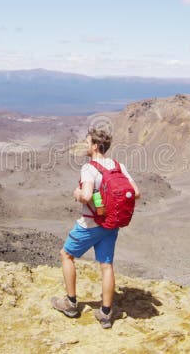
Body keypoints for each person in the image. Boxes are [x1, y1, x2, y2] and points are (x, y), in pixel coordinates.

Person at [50, 128, 140, 329]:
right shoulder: (119, 166)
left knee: (66, 255)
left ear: (95, 146)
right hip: (111, 224)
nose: (84, 145)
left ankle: (71, 304)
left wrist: (77, 192)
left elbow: (88, 195)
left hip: (90, 224)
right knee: (106, 265)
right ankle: (106, 314)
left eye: (87, 142)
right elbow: (136, 192)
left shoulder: (89, 168)